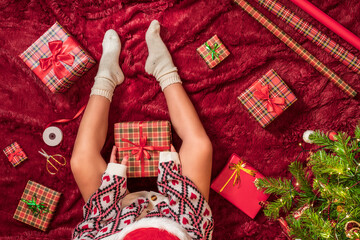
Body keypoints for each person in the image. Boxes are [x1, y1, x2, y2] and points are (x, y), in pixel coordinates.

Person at [70, 20, 214, 240]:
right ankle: (164, 69)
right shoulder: (191, 233)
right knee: (200, 147)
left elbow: (91, 224)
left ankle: (106, 78)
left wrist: (113, 180)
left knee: (81, 161)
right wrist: (172, 175)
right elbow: (189, 209)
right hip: (178, 219)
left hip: (113, 224)